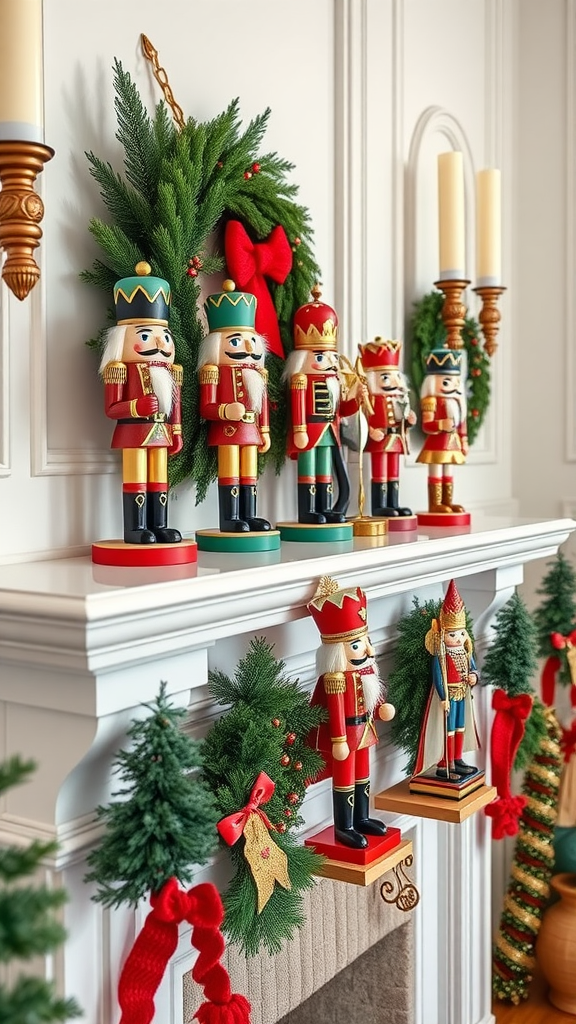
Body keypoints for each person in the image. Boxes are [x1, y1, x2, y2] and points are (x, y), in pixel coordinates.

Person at [307, 576, 395, 849]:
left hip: (365, 729)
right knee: (345, 777)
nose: (368, 649)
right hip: (345, 736)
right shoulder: (334, 679)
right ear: (337, 650)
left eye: (365, 640)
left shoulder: (367, 670)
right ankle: (344, 826)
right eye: (357, 644)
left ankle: (362, 817)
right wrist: (338, 740)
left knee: (363, 774)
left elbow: (372, 695)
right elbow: (332, 709)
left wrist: (381, 708)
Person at [99, 261, 182, 544]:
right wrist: (136, 407)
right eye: (146, 335)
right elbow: (111, 409)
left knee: (159, 478)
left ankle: (159, 525)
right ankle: (135, 528)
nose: (159, 342)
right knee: (136, 478)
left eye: (164, 335)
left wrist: (177, 432)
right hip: (133, 431)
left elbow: (175, 406)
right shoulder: (119, 369)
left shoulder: (170, 372)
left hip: (162, 432)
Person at [282, 285, 365, 524]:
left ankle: (326, 508)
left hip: (330, 432)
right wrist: (299, 430)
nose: (328, 362)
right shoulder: (300, 379)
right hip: (309, 431)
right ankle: (308, 511)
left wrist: (356, 399)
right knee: (308, 471)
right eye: (320, 357)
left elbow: (341, 411)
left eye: (330, 357)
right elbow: (298, 406)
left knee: (325, 472)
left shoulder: (334, 381)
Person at [198, 279, 271, 533]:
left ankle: (249, 515)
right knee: (230, 473)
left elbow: (261, 404)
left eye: (251, 340)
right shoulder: (213, 371)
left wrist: (265, 432)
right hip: (227, 430)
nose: (249, 348)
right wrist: (224, 411)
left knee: (249, 474)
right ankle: (230, 518)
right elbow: (206, 407)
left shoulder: (258, 374)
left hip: (251, 430)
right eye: (237, 341)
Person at [415, 579, 480, 780]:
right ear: (443, 634)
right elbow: (438, 677)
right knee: (448, 729)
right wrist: (443, 697)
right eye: (453, 634)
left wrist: (474, 677)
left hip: (463, 693)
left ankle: (458, 758)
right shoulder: (441, 655)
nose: (459, 638)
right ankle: (446, 762)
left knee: (461, 726)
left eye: (461, 633)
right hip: (449, 696)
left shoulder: (465, 651)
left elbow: (475, 670)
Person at [358, 338, 416, 517]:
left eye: (395, 376)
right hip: (380, 440)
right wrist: (370, 430)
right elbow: (362, 416)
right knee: (380, 473)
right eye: (385, 377)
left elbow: (403, 419)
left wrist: (410, 420)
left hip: (396, 439)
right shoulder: (372, 399)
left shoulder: (399, 399)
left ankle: (394, 503)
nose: (393, 382)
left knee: (393, 473)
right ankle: (380, 506)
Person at [416, 348, 467, 514]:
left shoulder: (458, 403)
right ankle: (435, 504)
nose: (452, 387)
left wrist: (464, 440)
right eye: (446, 382)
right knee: (436, 471)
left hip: (453, 444)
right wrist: (440, 425)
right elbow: (427, 425)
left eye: (455, 382)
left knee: (449, 472)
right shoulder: (431, 401)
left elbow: (462, 425)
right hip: (436, 444)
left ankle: (447, 502)